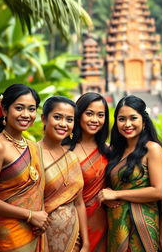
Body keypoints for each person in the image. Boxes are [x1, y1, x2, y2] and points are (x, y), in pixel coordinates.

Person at [98, 95, 162, 252]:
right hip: (116, 225)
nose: (127, 124)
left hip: (142, 225)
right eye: (121, 119)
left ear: (143, 121)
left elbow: (159, 191)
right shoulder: (115, 152)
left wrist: (117, 194)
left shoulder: (152, 149)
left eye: (133, 118)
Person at [0, 84, 50, 251]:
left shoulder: (34, 147)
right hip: (8, 237)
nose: (26, 115)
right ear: (5, 110)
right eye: (19, 108)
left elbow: (38, 194)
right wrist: (30, 216)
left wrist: (40, 219)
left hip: (35, 232)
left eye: (31, 109)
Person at [39, 96, 89, 252]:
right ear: (44, 119)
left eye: (69, 119)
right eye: (57, 117)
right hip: (42, 237)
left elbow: (79, 203)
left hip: (74, 239)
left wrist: (86, 244)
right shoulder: (32, 153)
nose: (63, 124)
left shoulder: (72, 157)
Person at [63, 92, 109, 252]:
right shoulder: (65, 151)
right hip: (75, 221)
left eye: (100, 115)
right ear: (78, 115)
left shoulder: (109, 150)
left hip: (105, 220)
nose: (95, 120)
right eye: (89, 113)